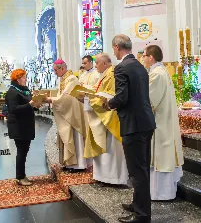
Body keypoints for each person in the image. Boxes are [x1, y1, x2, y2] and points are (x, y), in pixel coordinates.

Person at [106, 34, 156, 223]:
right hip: (145, 123)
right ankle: (137, 205)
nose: (113, 52)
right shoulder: (140, 67)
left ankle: (142, 216)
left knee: (137, 172)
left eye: (114, 48)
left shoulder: (121, 68)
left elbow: (122, 98)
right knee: (141, 169)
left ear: (118, 47)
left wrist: (108, 103)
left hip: (133, 125)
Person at [142, 45, 184, 200]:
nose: (143, 59)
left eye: (144, 56)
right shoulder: (161, 71)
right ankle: (160, 192)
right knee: (162, 156)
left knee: (161, 156)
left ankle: (161, 194)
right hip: (162, 120)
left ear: (151, 57)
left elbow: (150, 100)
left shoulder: (157, 74)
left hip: (160, 122)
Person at [83, 53, 128, 185]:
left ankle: (114, 178)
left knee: (111, 149)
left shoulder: (112, 74)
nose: (95, 66)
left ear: (104, 63)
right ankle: (102, 177)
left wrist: (91, 98)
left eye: (97, 63)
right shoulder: (104, 75)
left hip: (110, 117)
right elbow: (98, 91)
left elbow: (113, 95)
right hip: (102, 117)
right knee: (103, 147)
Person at [44, 59, 88, 172]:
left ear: (62, 68)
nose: (54, 72)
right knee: (66, 136)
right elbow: (61, 96)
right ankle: (69, 163)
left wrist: (50, 100)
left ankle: (78, 165)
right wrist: (53, 99)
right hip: (66, 113)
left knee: (74, 137)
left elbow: (65, 98)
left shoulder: (72, 79)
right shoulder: (64, 79)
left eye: (55, 70)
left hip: (72, 114)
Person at [5, 69, 41, 186]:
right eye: (24, 77)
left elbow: (28, 104)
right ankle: (20, 177)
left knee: (24, 151)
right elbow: (13, 109)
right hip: (18, 126)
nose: (26, 79)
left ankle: (22, 175)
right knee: (21, 151)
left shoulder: (24, 90)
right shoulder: (12, 92)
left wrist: (36, 105)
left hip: (25, 125)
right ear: (18, 78)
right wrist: (30, 104)